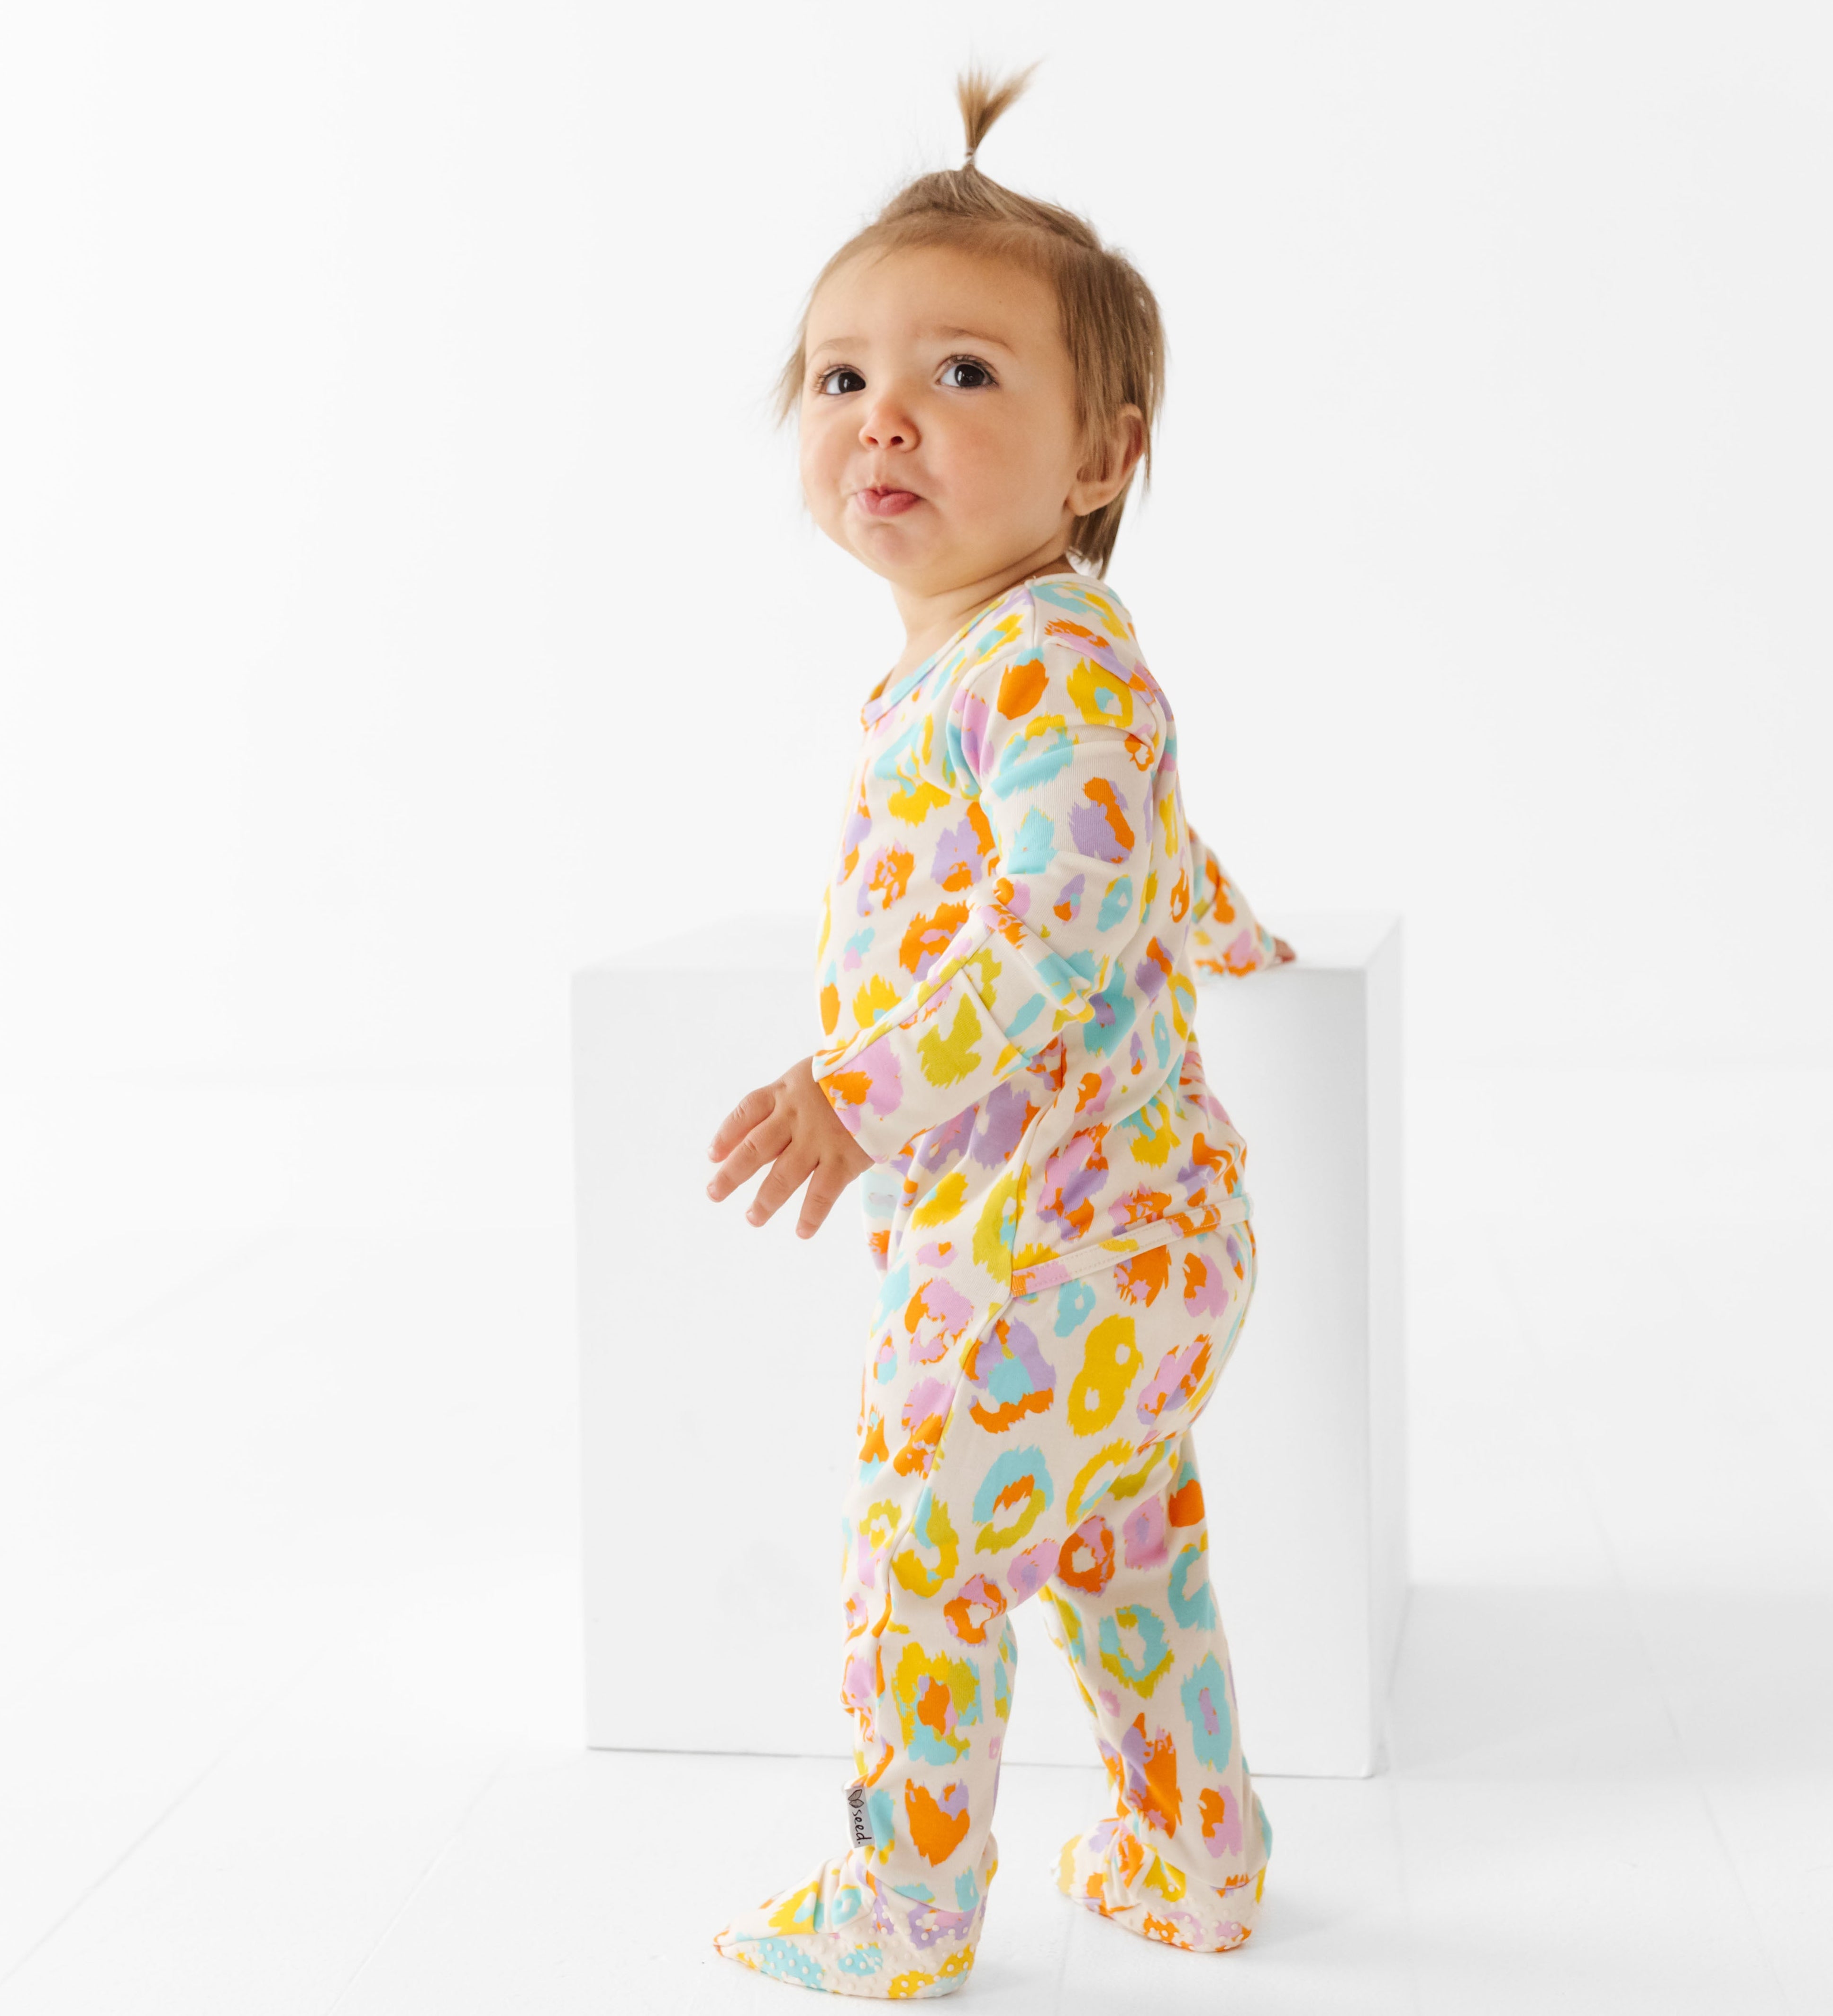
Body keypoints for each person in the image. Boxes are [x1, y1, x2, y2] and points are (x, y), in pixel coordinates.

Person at [702, 65, 1293, 1999]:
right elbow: (1155, 864)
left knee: (925, 1560)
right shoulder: (995, 664)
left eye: (963, 375)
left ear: (1101, 458)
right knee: (1122, 1549)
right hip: (1107, 1239)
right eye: (838, 374)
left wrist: (848, 1091)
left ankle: (900, 1908)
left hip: (1059, 1242)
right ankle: (1196, 1857)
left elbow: (1063, 927)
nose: (883, 413)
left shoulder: (1041, 660)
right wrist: (1245, 937)